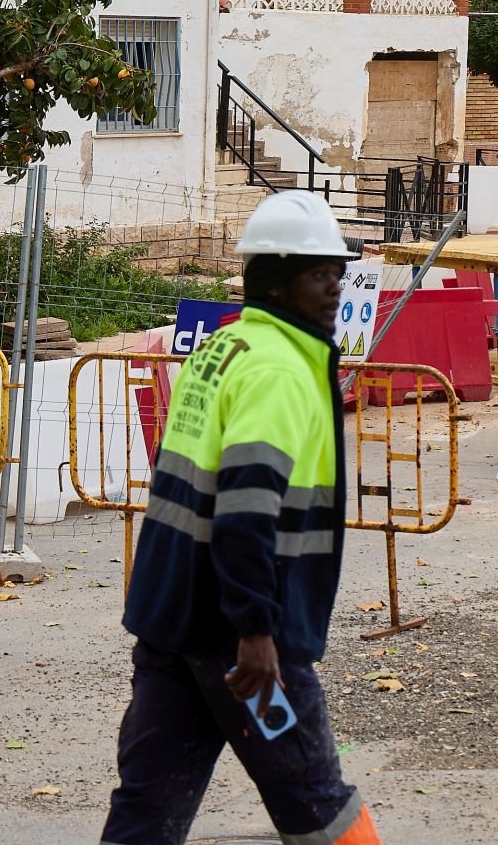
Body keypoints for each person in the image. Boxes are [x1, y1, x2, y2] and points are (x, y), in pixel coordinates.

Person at [103, 191, 381, 845]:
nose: (335, 288)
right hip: (243, 650)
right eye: (320, 274)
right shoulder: (281, 369)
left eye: (336, 273)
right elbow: (244, 511)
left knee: (146, 812)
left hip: (173, 626)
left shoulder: (222, 349)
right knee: (319, 805)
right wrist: (257, 632)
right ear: (280, 283)